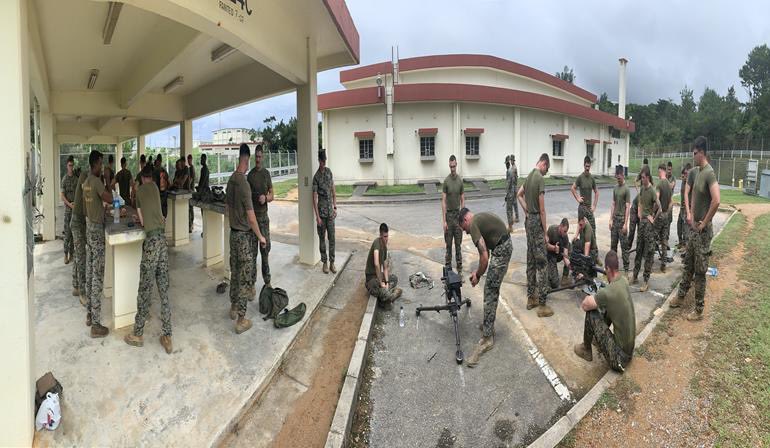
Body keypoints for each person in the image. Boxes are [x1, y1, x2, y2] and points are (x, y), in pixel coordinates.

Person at [670, 136, 720, 321]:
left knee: (700, 271)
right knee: (688, 264)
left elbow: (716, 200)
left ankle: (698, 310)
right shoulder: (697, 171)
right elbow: (690, 194)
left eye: (695, 153)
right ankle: (681, 297)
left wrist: (704, 222)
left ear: (702, 152)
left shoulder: (709, 173)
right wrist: (690, 213)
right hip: (694, 231)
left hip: (703, 232)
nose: (693, 156)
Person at [124, 165, 173, 354]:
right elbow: (159, 215)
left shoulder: (140, 191)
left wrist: (140, 217)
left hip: (151, 242)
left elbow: (143, 221)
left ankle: (137, 333)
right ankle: (167, 335)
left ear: (141, 178)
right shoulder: (154, 188)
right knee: (163, 289)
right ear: (151, 177)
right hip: (162, 241)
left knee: (144, 288)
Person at [458, 207, 512, 367]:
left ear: (465, 220)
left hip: (502, 250)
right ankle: (489, 324)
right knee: (491, 289)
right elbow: (486, 249)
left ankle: (487, 338)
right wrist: (478, 272)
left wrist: (478, 275)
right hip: (502, 246)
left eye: (463, 228)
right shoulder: (478, 219)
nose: (466, 232)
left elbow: (484, 257)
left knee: (490, 291)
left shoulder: (473, 224)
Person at [225, 144, 267, 334]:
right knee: (244, 276)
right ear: (247, 159)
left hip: (232, 234)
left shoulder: (231, 180)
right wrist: (260, 236)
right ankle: (241, 319)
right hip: (243, 237)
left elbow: (228, 209)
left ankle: (233, 307)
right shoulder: (243, 184)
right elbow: (251, 217)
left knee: (234, 272)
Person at [573, 251, 635, 372]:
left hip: (618, 359)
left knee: (591, 313)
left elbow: (585, 305)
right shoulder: (624, 281)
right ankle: (598, 340)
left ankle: (586, 350)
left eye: (605, 270)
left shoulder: (608, 292)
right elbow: (611, 295)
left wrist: (595, 296)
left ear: (607, 269)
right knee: (607, 306)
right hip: (628, 351)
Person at [82, 150, 115, 337]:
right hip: (96, 230)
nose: (102, 166)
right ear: (95, 164)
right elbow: (109, 198)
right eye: (100, 164)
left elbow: (92, 203)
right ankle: (96, 324)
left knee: (90, 271)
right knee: (97, 276)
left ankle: (89, 314)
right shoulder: (95, 181)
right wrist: (108, 179)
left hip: (89, 228)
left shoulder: (86, 182)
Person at [518, 153, 552, 317]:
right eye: (546, 170)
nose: (545, 173)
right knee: (542, 263)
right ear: (544, 164)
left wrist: (527, 211)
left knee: (531, 260)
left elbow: (519, 194)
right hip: (537, 223)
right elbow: (543, 209)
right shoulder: (539, 178)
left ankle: (531, 297)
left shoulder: (529, 176)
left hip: (528, 222)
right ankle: (543, 305)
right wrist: (545, 233)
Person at [247, 145, 274, 291]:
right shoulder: (250, 176)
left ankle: (267, 282)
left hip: (263, 219)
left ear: (262, 157)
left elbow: (272, 195)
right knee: (252, 254)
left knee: (265, 253)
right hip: (253, 221)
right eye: (256, 157)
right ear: (254, 157)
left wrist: (266, 198)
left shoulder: (266, 174)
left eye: (259, 156)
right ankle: (251, 285)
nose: (257, 159)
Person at [631, 165, 661, 292]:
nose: (641, 179)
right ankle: (635, 276)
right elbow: (640, 202)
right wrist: (640, 212)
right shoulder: (643, 189)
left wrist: (652, 217)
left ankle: (646, 281)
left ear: (648, 177)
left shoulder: (652, 191)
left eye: (643, 177)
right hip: (642, 223)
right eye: (641, 177)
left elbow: (659, 207)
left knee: (648, 253)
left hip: (648, 226)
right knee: (638, 250)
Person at [365, 223, 403, 308]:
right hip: (371, 280)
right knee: (385, 293)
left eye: (387, 236)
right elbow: (376, 263)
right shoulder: (377, 243)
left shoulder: (385, 247)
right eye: (385, 237)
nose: (386, 239)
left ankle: (386, 295)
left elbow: (385, 267)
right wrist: (381, 282)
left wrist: (387, 282)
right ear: (380, 235)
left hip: (379, 276)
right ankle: (389, 296)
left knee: (394, 278)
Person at [571, 156, 600, 264]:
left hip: (589, 209)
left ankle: (595, 256)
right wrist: (578, 198)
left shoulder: (592, 178)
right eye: (586, 166)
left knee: (593, 231)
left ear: (590, 166)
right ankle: (583, 254)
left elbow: (597, 192)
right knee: (582, 232)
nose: (587, 168)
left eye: (589, 166)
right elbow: (572, 188)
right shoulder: (580, 177)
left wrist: (594, 206)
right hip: (582, 208)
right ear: (584, 165)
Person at [312, 149, 337, 274]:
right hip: (321, 214)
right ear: (319, 160)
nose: (323, 163)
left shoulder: (329, 172)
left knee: (332, 238)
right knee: (322, 239)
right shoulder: (316, 177)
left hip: (330, 214)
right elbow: (314, 198)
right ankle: (325, 263)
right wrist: (317, 217)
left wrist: (335, 206)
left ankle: (332, 262)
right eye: (321, 161)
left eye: (324, 160)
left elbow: (333, 190)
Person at [442, 155, 465, 272]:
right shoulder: (446, 181)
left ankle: (459, 267)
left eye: (454, 166)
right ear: (449, 165)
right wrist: (444, 221)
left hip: (458, 216)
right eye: (451, 166)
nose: (452, 169)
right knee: (448, 244)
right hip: (449, 216)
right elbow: (443, 201)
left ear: (456, 165)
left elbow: (462, 199)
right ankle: (448, 268)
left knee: (458, 244)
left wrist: (463, 216)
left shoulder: (460, 181)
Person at [71, 164, 89, 307]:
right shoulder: (84, 182)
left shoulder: (82, 182)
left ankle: (75, 285)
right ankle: (82, 292)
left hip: (79, 224)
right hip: (77, 224)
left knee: (78, 255)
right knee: (81, 257)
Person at [610, 165, 631, 272]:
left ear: (623, 175)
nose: (618, 179)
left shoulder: (626, 189)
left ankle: (626, 269)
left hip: (622, 220)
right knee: (613, 247)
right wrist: (610, 219)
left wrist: (625, 223)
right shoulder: (615, 188)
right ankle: (613, 269)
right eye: (616, 178)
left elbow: (628, 207)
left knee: (624, 248)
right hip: (615, 220)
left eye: (619, 178)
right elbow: (613, 204)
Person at [655, 163, 673, 272]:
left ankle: (649, 260)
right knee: (664, 239)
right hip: (666, 215)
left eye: (658, 171)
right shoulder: (669, 184)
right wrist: (667, 212)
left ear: (661, 170)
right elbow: (671, 202)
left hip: (660, 215)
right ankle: (663, 264)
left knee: (652, 236)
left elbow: (657, 201)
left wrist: (655, 213)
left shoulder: (660, 184)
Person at [628, 157, 649, 250]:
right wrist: (638, 191)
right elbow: (635, 181)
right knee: (632, 230)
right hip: (635, 207)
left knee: (641, 231)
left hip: (642, 209)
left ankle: (640, 249)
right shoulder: (641, 174)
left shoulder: (649, 179)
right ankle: (627, 248)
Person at [60, 156, 78, 266]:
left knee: (74, 233)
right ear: (67, 166)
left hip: (74, 209)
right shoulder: (64, 179)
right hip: (68, 210)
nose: (71, 167)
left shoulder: (76, 179)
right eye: (69, 165)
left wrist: (75, 204)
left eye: (72, 165)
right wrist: (69, 204)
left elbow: (78, 194)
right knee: (67, 233)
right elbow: (62, 196)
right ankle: (65, 254)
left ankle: (72, 254)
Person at [546, 218, 571, 289]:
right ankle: (547, 272)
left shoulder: (565, 237)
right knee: (555, 284)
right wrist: (554, 248)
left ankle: (565, 277)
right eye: (565, 231)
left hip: (560, 255)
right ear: (560, 226)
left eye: (566, 231)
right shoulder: (552, 230)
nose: (565, 233)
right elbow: (545, 245)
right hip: (551, 256)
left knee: (570, 247)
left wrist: (570, 265)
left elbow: (565, 256)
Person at [676, 164, 692, 250]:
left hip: (687, 209)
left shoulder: (690, 184)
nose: (684, 175)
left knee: (686, 231)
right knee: (679, 226)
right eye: (683, 174)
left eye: (686, 173)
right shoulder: (683, 182)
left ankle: (687, 249)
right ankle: (681, 243)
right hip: (682, 208)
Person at [504, 154, 519, 231]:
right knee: (513, 206)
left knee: (508, 210)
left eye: (506, 163)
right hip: (513, 191)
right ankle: (513, 220)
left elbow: (508, 184)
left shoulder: (509, 171)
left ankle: (510, 227)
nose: (506, 165)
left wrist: (506, 195)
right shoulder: (513, 170)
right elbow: (515, 181)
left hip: (510, 192)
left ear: (508, 163)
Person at [186, 154, 196, 233]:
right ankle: (190, 224)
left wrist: (189, 187)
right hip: (189, 190)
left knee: (190, 208)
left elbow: (191, 179)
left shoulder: (192, 168)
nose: (188, 161)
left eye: (189, 159)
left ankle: (191, 224)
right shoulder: (189, 168)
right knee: (189, 208)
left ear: (191, 159)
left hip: (191, 190)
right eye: (188, 159)